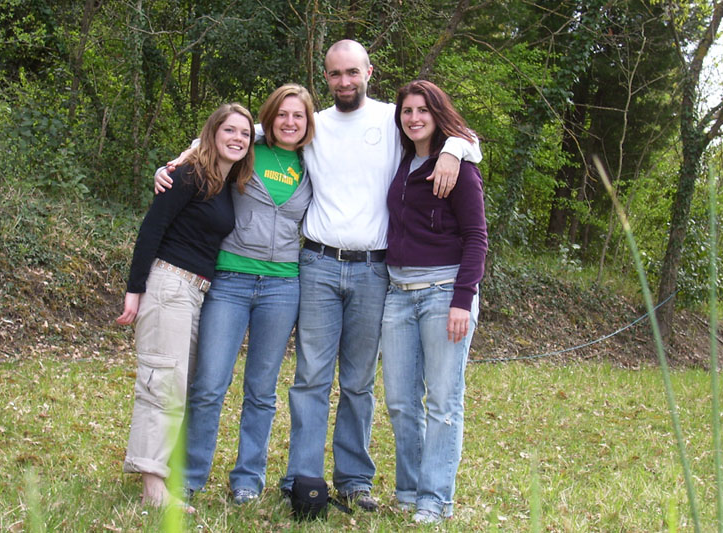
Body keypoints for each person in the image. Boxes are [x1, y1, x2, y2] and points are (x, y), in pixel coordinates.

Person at [154, 40, 481, 511]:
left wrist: (454, 150)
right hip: (317, 266)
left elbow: (455, 133)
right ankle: (302, 480)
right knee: (309, 378)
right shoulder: (313, 126)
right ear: (325, 77)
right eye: (335, 73)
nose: (344, 81)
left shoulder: (394, 120)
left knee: (359, 382)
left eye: (353, 72)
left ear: (369, 72)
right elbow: (242, 133)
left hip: (374, 270)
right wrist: (185, 155)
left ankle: (354, 480)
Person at [179, 84, 315, 504]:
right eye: (282, 114)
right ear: (269, 117)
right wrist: (178, 160)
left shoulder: (314, 160)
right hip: (231, 281)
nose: (290, 122)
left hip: (283, 286)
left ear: (308, 122)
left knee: (261, 390)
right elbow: (212, 143)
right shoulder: (249, 149)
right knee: (209, 384)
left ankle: (247, 480)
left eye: (298, 115)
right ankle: (190, 476)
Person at [117, 103, 255, 511]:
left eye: (245, 134)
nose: (237, 138)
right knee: (163, 383)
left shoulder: (222, 180)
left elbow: (277, 130)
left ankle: (160, 476)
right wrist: (134, 288)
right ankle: (153, 488)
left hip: (195, 292)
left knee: (177, 384)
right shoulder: (188, 174)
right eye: (228, 130)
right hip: (168, 285)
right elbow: (152, 227)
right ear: (212, 132)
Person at [380, 80, 487, 524]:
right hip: (398, 295)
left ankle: (435, 499)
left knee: (443, 402)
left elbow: (477, 238)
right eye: (407, 111)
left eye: (422, 110)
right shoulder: (403, 162)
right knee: (401, 401)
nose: (414, 118)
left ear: (437, 113)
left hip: (444, 294)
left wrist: (463, 299)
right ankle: (409, 490)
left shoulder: (458, 168)